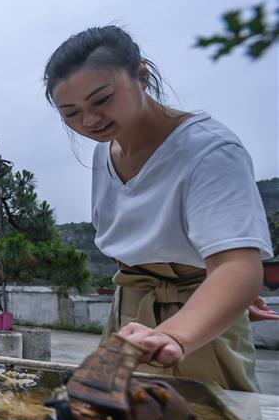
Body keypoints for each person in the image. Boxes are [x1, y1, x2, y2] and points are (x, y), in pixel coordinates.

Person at [44, 25, 274, 391]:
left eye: (102, 100)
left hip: (193, 329)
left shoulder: (208, 149)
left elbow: (237, 266)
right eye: (71, 112)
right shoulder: (105, 151)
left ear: (142, 75)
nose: (89, 121)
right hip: (129, 316)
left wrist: (179, 331)